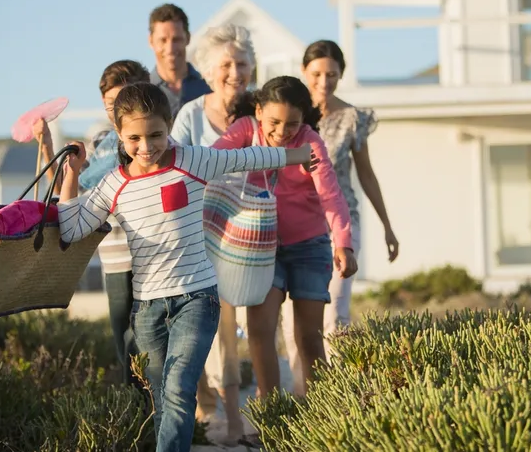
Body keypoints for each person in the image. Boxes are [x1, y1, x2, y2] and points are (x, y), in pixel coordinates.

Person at [57, 81, 318, 452]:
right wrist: (71, 173)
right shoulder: (114, 183)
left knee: (179, 389)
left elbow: (247, 157)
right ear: (119, 133)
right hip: (147, 309)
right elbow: (71, 227)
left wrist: (299, 154)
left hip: (197, 298)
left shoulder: (192, 160)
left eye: (156, 135)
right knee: (162, 398)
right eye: (134, 138)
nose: (146, 146)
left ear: (169, 125)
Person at [212, 76, 358, 399]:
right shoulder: (246, 130)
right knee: (260, 331)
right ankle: (272, 412)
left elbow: (331, 194)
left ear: (304, 119)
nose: (281, 132)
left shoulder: (310, 142)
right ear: (259, 111)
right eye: (274, 122)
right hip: (260, 248)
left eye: (292, 123)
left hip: (309, 246)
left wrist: (343, 242)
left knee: (309, 337)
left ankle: (322, 413)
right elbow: (213, 160)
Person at [280, 40, 400, 396]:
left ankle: (338, 395)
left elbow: (366, 174)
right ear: (304, 72)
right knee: (291, 318)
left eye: (332, 74)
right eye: (317, 73)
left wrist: (387, 225)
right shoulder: (289, 113)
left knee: (334, 312)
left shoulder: (352, 118)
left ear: (341, 75)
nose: (324, 81)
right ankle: (302, 392)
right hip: (294, 222)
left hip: (340, 222)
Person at [32, 60, 152, 385]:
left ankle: (160, 409)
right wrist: (48, 147)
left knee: (151, 344)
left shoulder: (153, 142)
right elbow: (70, 195)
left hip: (151, 258)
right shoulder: (102, 142)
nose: (118, 111)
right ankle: (138, 411)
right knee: (125, 348)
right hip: (114, 261)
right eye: (111, 104)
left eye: (127, 99)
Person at [171, 23, 255, 446]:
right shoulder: (191, 114)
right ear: (208, 69)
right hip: (202, 236)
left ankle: (252, 416)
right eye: (226, 64)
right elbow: (174, 169)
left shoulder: (260, 112)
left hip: (253, 237)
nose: (234, 72)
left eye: (241, 63)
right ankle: (224, 417)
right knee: (214, 329)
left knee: (245, 329)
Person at [147, 3, 211, 117]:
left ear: (188, 38)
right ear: (151, 41)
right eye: (163, 40)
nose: (170, 48)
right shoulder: (143, 93)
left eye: (176, 39)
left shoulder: (209, 88)